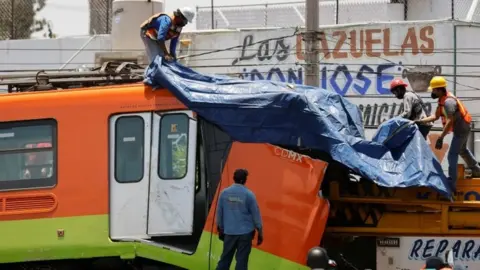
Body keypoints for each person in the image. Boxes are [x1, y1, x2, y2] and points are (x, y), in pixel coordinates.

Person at [416, 76, 480, 191]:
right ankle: (477, 170)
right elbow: (435, 116)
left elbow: (450, 121)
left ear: (440, 90)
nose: (432, 92)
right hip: (463, 127)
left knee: (452, 155)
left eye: (434, 90)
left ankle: (451, 185)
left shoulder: (448, 102)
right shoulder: (442, 100)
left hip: (461, 128)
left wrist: (441, 137)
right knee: (462, 150)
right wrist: (420, 121)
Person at [216, 168, 263, 270]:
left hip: (229, 233)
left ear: (234, 178)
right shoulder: (249, 195)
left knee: (224, 260)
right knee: (241, 263)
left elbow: (219, 214)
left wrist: (221, 228)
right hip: (245, 234)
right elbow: (256, 215)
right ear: (244, 180)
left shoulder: (224, 193)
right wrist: (260, 232)